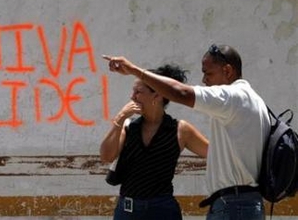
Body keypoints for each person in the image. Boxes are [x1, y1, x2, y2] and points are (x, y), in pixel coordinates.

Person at [103, 44, 271, 220]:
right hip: (243, 202)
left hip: (232, 206)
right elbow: (217, 153)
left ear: (227, 71)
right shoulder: (254, 101)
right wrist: (120, 118)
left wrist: (134, 70)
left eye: (208, 73)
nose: (204, 80)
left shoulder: (231, 97)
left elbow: (181, 92)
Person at [100, 63, 209, 220]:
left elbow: (214, 153)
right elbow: (106, 156)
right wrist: (120, 118)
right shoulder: (128, 126)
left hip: (162, 210)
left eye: (138, 92)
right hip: (128, 210)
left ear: (157, 95)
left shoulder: (180, 129)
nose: (132, 97)